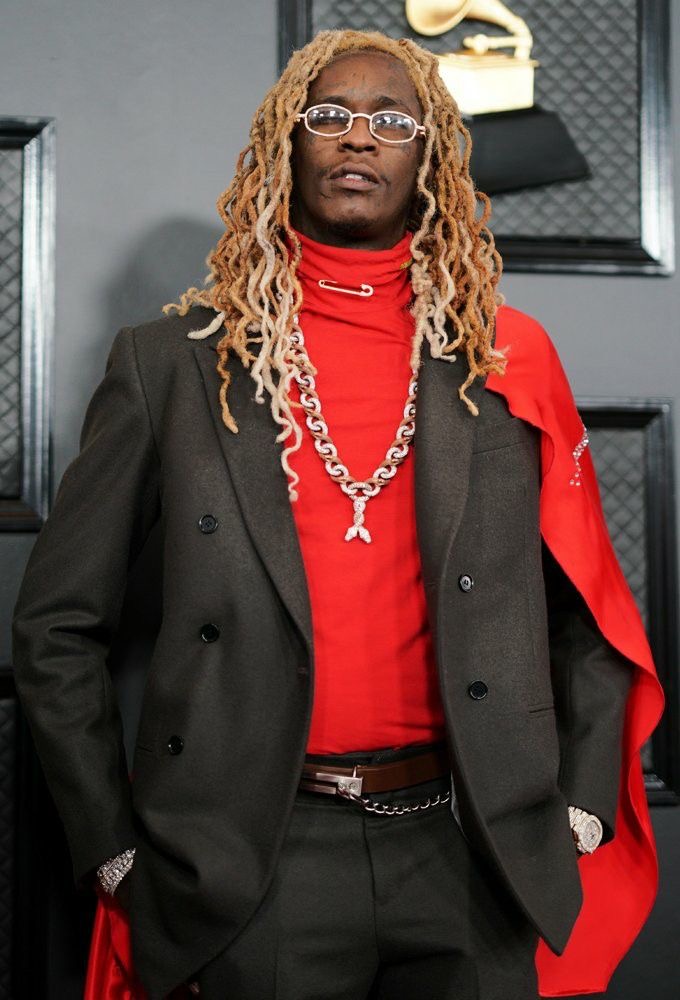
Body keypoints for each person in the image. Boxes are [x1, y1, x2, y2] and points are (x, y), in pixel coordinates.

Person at [11, 28, 663, 1000]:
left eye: (391, 120)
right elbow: (56, 624)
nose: (359, 136)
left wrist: (576, 805)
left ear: (428, 157)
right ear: (288, 141)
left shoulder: (504, 358)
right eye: (329, 115)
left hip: (470, 849)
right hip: (254, 859)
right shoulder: (173, 363)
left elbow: (587, 603)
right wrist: (109, 847)